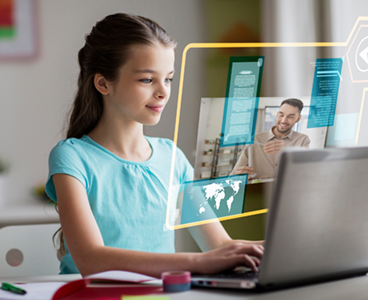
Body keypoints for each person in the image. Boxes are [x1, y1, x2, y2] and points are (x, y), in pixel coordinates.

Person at [45, 13, 263, 278]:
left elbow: (219, 245)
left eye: (168, 78)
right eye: (147, 80)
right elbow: (91, 260)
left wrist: (274, 248)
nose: (163, 91)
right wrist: (198, 262)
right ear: (103, 83)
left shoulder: (172, 156)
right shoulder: (72, 157)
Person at [231, 98, 310, 179]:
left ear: (298, 119)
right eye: (281, 115)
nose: (283, 120)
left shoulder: (303, 140)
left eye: (290, 117)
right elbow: (234, 175)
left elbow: (305, 172)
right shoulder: (255, 140)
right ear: (277, 114)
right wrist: (237, 177)